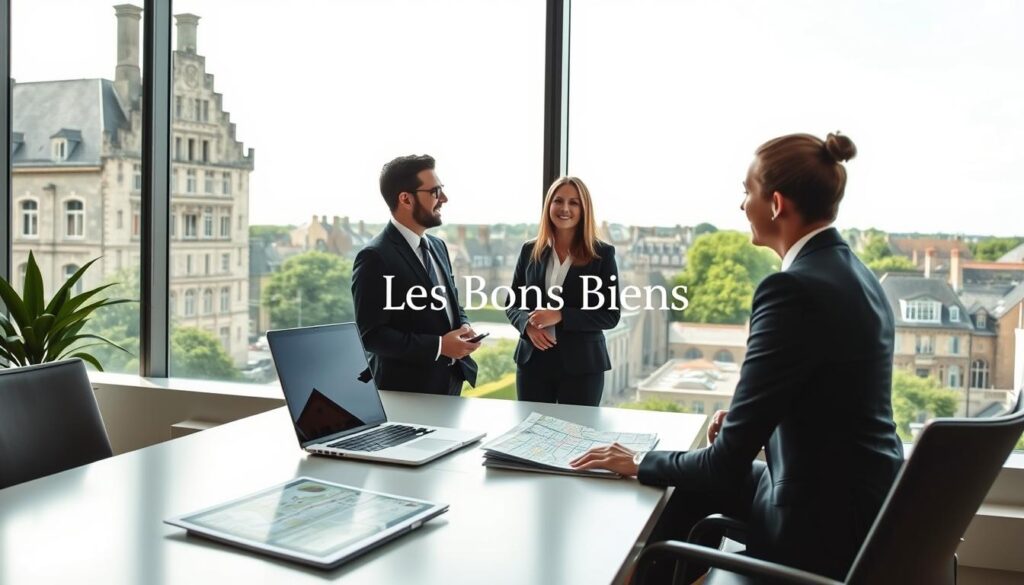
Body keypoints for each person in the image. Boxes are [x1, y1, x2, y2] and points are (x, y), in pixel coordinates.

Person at [571, 133, 904, 582]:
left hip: (815, 529)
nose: (741, 204)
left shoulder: (792, 290)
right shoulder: (858, 276)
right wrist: (751, 420)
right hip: (863, 510)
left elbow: (722, 464)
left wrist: (637, 461)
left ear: (776, 203)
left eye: (747, 191)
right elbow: (831, 404)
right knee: (684, 500)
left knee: (674, 498)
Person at [351, 154, 480, 395]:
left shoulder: (438, 247)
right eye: (435, 191)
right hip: (406, 391)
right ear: (405, 199)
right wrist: (440, 346)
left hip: (450, 381)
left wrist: (464, 326)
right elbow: (373, 335)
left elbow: (450, 305)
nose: (444, 198)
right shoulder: (374, 257)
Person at [505, 176, 620, 406]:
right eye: (558, 201)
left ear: (584, 208)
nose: (565, 208)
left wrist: (561, 315)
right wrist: (526, 325)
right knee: (531, 437)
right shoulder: (530, 250)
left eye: (574, 202)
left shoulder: (602, 254)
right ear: (549, 205)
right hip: (532, 363)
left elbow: (610, 314)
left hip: (583, 366)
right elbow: (512, 303)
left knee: (577, 437)